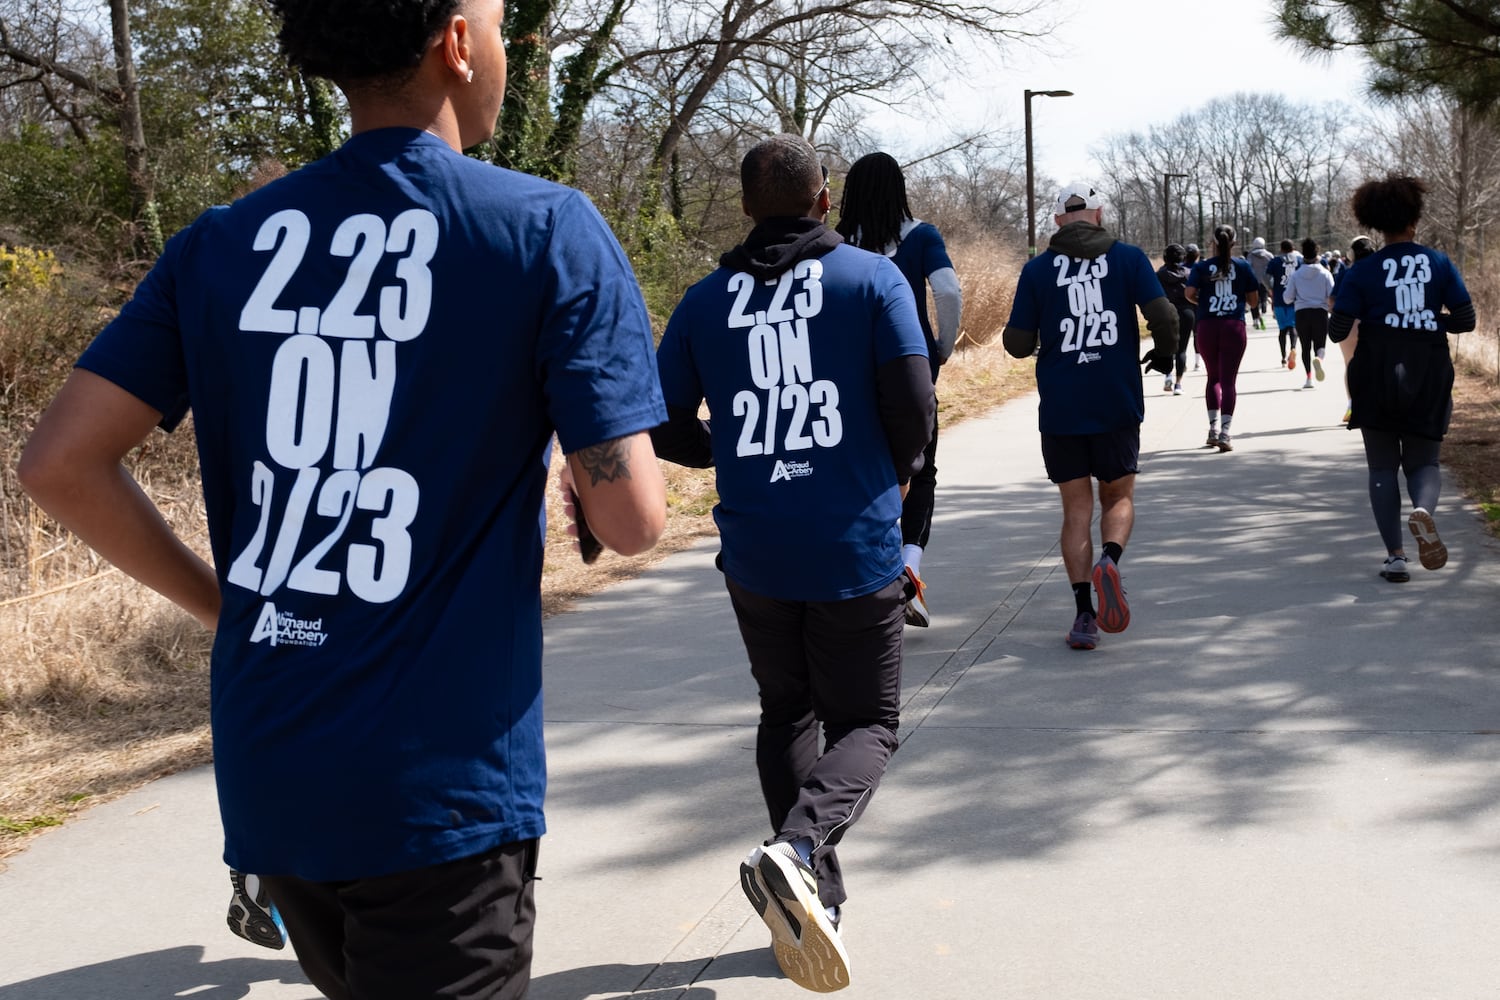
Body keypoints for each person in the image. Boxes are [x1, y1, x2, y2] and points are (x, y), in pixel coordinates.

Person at [17, 2, 670, 997]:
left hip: (274, 762)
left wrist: (226, 604)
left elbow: (59, 462)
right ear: (457, 44)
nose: (513, 45)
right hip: (439, 787)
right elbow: (633, 521)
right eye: (502, 23)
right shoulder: (546, 231)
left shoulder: (219, 245)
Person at [652, 133, 934, 992]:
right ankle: (800, 851)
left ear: (745, 207)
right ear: (825, 199)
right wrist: (880, 475)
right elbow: (915, 413)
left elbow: (663, 422)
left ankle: (816, 897)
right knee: (869, 726)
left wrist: (730, 452)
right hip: (851, 543)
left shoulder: (704, 302)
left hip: (758, 550)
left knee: (787, 713)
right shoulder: (871, 280)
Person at [1001, 182, 1177, 651]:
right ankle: (1112, 561)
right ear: (1098, 214)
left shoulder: (1037, 270)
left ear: (1058, 221)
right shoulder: (1129, 258)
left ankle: (1083, 615)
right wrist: (1163, 355)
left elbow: (1016, 344)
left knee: (1076, 509)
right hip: (1115, 399)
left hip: (1062, 406)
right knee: (1117, 497)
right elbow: (1166, 316)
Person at [834, 151, 961, 628]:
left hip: (847, 376)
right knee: (919, 468)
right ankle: (908, 567)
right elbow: (948, 291)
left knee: (859, 470)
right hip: (912, 371)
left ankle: (863, 576)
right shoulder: (922, 235)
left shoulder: (835, 240)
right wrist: (941, 348)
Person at [1330, 175, 1475, 583]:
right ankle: (1424, 511)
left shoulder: (1362, 270)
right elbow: (1466, 319)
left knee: (1381, 468)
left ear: (1377, 223)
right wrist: (1429, 319)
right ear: (1414, 220)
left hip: (1374, 373)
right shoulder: (1439, 263)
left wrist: (1375, 317)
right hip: (1428, 371)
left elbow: (1338, 331)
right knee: (1424, 461)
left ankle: (1395, 557)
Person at [1185, 225, 1260, 452]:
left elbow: (1189, 294)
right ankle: (1226, 433)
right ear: (1234, 242)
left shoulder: (1201, 267)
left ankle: (1212, 429)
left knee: (1213, 378)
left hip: (1207, 325)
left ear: (1212, 242)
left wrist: (1205, 303)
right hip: (1233, 326)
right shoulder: (1243, 265)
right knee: (1229, 381)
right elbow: (1254, 301)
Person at [1335, 235, 1377, 422]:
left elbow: (1332, 299)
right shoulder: (1383, 270)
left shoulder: (1346, 272)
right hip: (1376, 321)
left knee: (1350, 365)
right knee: (1378, 363)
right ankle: (1375, 403)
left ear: (1351, 254)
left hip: (1350, 323)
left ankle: (1353, 405)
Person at [1284, 237, 1335, 390]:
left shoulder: (1296, 275)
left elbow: (1287, 298)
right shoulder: (1325, 274)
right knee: (1320, 345)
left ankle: (1309, 378)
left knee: (1305, 346)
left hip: (1302, 313)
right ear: (1317, 253)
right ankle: (1319, 358)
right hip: (1320, 312)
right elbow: (1332, 295)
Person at [1155, 243, 1195, 395]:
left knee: (1167, 347)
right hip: (1186, 312)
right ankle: (1178, 384)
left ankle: (1167, 376)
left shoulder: (1159, 275)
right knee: (1181, 349)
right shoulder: (1189, 274)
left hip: (1166, 312)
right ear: (1182, 257)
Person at [1263, 238, 1303, 368]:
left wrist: (1270, 289)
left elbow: (1265, 277)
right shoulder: (1299, 261)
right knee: (1292, 326)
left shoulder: (1275, 261)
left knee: (1282, 329)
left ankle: (1283, 357)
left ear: (1281, 248)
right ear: (1293, 248)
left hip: (1279, 298)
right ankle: (1293, 348)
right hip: (1295, 298)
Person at [1247, 236, 1274, 330]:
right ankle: (1263, 314)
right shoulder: (1269, 255)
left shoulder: (1250, 255)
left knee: (1254, 301)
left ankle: (1255, 320)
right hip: (1265, 280)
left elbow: (1248, 267)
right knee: (1264, 299)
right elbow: (1273, 265)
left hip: (1254, 280)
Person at [1183, 243, 1203, 369]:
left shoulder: (1180, 268)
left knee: (1182, 336)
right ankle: (1197, 361)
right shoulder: (1201, 268)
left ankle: (1182, 362)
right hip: (1196, 303)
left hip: (1183, 305)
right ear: (1197, 255)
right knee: (1197, 334)